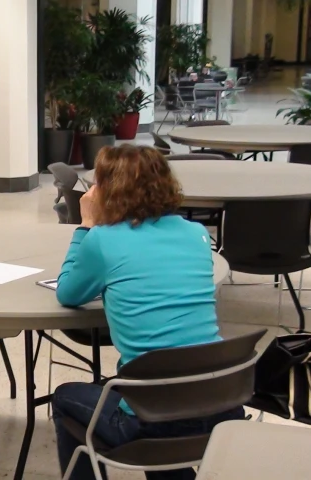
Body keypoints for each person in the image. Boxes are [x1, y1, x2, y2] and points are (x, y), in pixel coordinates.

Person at [51, 145, 244, 480]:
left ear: (106, 189)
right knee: (164, 393)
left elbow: (68, 293)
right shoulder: (196, 234)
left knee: (66, 396)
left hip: (151, 420)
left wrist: (84, 225)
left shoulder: (102, 240)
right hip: (221, 404)